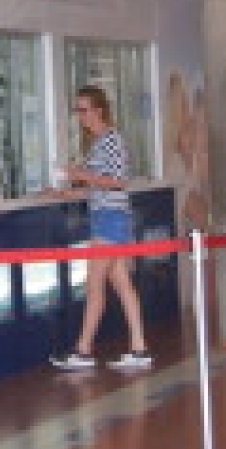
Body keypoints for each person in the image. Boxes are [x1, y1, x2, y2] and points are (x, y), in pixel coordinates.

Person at [49, 85, 151, 372]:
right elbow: (98, 187)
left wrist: (80, 174)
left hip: (110, 219)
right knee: (122, 285)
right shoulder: (99, 143)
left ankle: (83, 350)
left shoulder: (111, 141)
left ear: (99, 110)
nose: (80, 115)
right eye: (77, 110)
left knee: (95, 284)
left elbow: (118, 181)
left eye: (83, 109)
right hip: (106, 217)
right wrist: (67, 192)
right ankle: (139, 347)